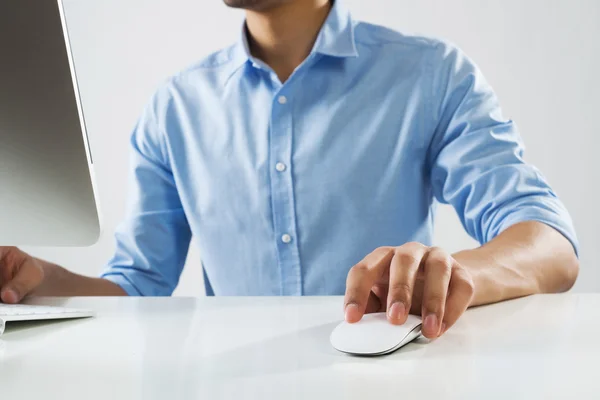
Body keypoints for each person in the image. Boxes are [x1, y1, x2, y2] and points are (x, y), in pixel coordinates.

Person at [0, 0, 579, 339]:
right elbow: (136, 284)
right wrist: (42, 280)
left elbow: (549, 245)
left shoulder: (431, 75)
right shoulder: (176, 106)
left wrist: (449, 273)